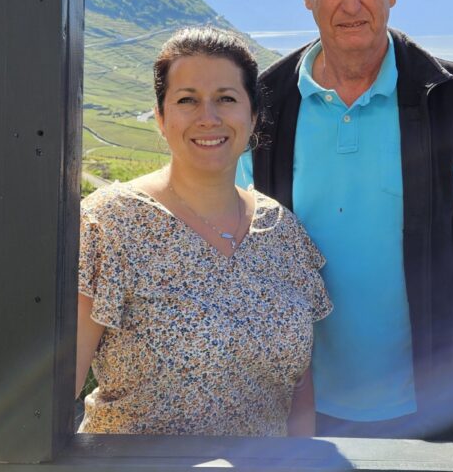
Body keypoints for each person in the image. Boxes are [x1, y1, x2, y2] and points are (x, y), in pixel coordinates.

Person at [239, 0, 453, 439]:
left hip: (431, 403)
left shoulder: (446, 97)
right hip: (293, 408)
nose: (351, 3)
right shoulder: (265, 104)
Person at [75, 27, 332, 436]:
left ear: (252, 116)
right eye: (187, 100)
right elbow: (53, 387)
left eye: (226, 99)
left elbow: (299, 390)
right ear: (161, 117)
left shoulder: (283, 233)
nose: (208, 118)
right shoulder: (108, 224)